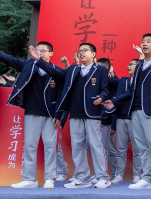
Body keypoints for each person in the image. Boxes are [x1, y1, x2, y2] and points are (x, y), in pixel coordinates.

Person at [0, 35, 64, 189]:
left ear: (51, 53)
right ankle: (29, 179)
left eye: (43, 51)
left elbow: (62, 93)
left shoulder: (57, 71)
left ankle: (50, 178)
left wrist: (58, 114)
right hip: (32, 111)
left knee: (50, 146)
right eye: (37, 50)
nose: (39, 53)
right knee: (30, 145)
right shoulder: (28, 66)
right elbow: (7, 58)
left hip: (50, 114)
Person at [101, 34, 151, 190]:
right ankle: (147, 178)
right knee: (141, 146)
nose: (145, 44)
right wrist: (114, 101)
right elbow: (132, 90)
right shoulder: (139, 67)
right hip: (135, 110)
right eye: (143, 41)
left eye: (148, 42)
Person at [34, 42, 110, 188]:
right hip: (75, 112)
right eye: (79, 51)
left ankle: (103, 177)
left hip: (92, 112)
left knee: (96, 145)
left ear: (93, 54)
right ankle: (82, 178)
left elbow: (105, 90)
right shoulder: (73, 69)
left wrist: (101, 97)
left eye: (85, 50)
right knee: (77, 146)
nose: (81, 53)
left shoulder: (100, 69)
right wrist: (39, 60)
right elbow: (55, 73)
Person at [112, 58, 140, 183]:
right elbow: (118, 99)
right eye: (128, 64)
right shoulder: (124, 80)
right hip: (121, 118)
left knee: (137, 149)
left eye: (131, 64)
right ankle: (119, 175)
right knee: (121, 149)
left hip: (135, 118)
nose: (128, 66)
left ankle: (137, 175)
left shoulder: (141, 82)